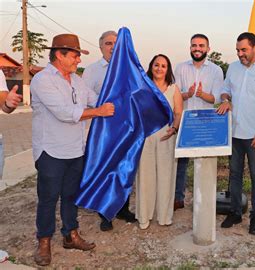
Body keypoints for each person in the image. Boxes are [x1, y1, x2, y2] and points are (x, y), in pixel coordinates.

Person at [30, 33, 115, 266]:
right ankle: (44, 241)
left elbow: (95, 99)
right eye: (75, 56)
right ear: (59, 55)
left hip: (76, 149)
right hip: (51, 150)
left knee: (71, 196)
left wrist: (120, 103)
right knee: (48, 198)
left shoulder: (77, 80)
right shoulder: (43, 80)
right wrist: (99, 112)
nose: (78, 60)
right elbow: (65, 113)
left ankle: (71, 234)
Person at [216, 32, 255, 235]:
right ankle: (235, 212)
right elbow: (225, 89)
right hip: (234, 133)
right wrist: (226, 99)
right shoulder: (233, 68)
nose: (240, 54)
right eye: (237, 50)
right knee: (234, 175)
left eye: (243, 50)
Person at [83, 30, 137, 231]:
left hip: (125, 130)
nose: (113, 46)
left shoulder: (129, 69)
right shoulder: (92, 71)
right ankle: (105, 213)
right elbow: (85, 99)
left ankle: (123, 208)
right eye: (108, 43)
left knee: (125, 168)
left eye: (116, 42)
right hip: (103, 132)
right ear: (101, 47)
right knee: (105, 171)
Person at [174, 33, 224, 211]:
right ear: (190, 48)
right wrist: (188, 93)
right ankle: (178, 198)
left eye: (201, 46)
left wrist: (202, 94)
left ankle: (203, 201)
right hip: (185, 121)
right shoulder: (180, 68)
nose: (197, 49)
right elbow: (175, 95)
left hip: (206, 123)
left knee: (205, 164)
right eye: (194, 45)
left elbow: (217, 98)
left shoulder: (216, 70)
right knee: (181, 163)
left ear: (208, 49)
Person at [135, 54, 183, 229]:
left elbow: (178, 113)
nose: (159, 68)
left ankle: (164, 216)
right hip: (146, 136)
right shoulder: (142, 88)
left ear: (168, 69)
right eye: (156, 65)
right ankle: (144, 216)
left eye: (164, 66)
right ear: (151, 66)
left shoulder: (173, 89)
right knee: (145, 176)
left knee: (166, 176)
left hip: (167, 136)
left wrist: (174, 128)